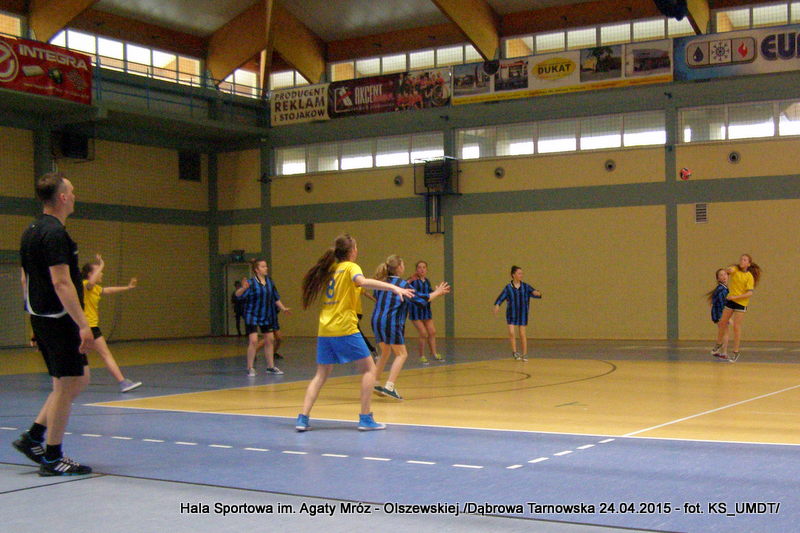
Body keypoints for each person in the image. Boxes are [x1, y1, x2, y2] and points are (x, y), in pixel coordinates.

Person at [14, 172, 95, 476]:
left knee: (78, 379)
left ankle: (33, 437)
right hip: (59, 318)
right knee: (66, 384)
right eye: (71, 191)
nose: (74, 196)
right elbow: (61, 282)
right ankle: (52, 456)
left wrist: (33, 320)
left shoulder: (31, 231)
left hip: (42, 316)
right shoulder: (55, 233)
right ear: (62, 197)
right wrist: (83, 325)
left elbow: (25, 280)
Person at [296, 234, 414, 432]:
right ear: (352, 251)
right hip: (344, 327)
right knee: (369, 370)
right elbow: (362, 281)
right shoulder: (351, 267)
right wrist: (393, 287)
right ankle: (365, 418)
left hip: (325, 329)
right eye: (356, 247)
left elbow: (356, 288)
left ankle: (302, 418)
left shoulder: (330, 269)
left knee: (321, 374)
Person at [372, 255, 449, 400]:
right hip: (392, 321)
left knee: (385, 351)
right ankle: (389, 386)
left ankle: (374, 382)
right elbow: (421, 300)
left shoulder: (381, 283)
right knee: (402, 354)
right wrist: (437, 292)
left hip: (376, 320)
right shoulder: (402, 284)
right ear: (399, 267)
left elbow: (377, 296)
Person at [81, 255, 141, 392]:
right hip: (86, 327)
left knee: (98, 354)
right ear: (90, 274)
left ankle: (123, 382)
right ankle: (122, 382)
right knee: (103, 354)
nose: (101, 274)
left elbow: (108, 290)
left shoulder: (95, 288)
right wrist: (101, 264)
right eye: (98, 271)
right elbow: (91, 283)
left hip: (91, 327)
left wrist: (128, 287)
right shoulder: (85, 285)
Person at [235, 259, 289, 376]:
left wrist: (283, 308)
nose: (266, 268)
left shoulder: (270, 282)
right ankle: (250, 367)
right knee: (253, 340)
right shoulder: (251, 283)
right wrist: (243, 288)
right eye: (263, 267)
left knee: (270, 339)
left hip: (266, 315)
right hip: (252, 315)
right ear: (256, 270)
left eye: (266, 266)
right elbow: (237, 295)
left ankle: (270, 367)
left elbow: (276, 297)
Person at [711, 254, 761, 362]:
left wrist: (735, 297)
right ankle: (719, 343)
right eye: (741, 259)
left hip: (741, 303)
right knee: (722, 322)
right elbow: (729, 270)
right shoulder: (735, 269)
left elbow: (749, 293)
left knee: (736, 327)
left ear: (749, 264)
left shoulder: (749, 277)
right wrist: (727, 270)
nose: (742, 261)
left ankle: (736, 352)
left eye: (745, 260)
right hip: (731, 301)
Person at [493, 265, 542, 361]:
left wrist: (538, 293)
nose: (521, 275)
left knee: (522, 334)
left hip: (522, 313)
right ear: (513, 275)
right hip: (511, 313)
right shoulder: (508, 288)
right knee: (511, 332)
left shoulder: (525, 286)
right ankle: (515, 352)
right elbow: (501, 297)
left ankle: (525, 354)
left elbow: (535, 293)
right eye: (519, 273)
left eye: (521, 273)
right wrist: (497, 305)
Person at [407, 260, 445, 364]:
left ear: (427, 269)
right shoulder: (413, 281)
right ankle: (422, 356)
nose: (422, 269)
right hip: (415, 310)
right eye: (419, 267)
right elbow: (405, 287)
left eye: (424, 267)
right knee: (423, 333)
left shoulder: (427, 281)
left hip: (426, 310)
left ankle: (434, 353)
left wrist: (438, 292)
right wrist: (410, 280)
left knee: (432, 332)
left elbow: (430, 294)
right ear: (416, 270)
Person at [707, 268, 731, 361]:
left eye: (725, 274)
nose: (724, 276)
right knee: (725, 332)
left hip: (718, 313)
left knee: (723, 332)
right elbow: (721, 304)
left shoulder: (723, 288)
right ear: (718, 279)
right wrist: (726, 316)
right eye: (721, 275)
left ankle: (716, 350)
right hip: (719, 314)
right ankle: (723, 352)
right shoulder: (722, 289)